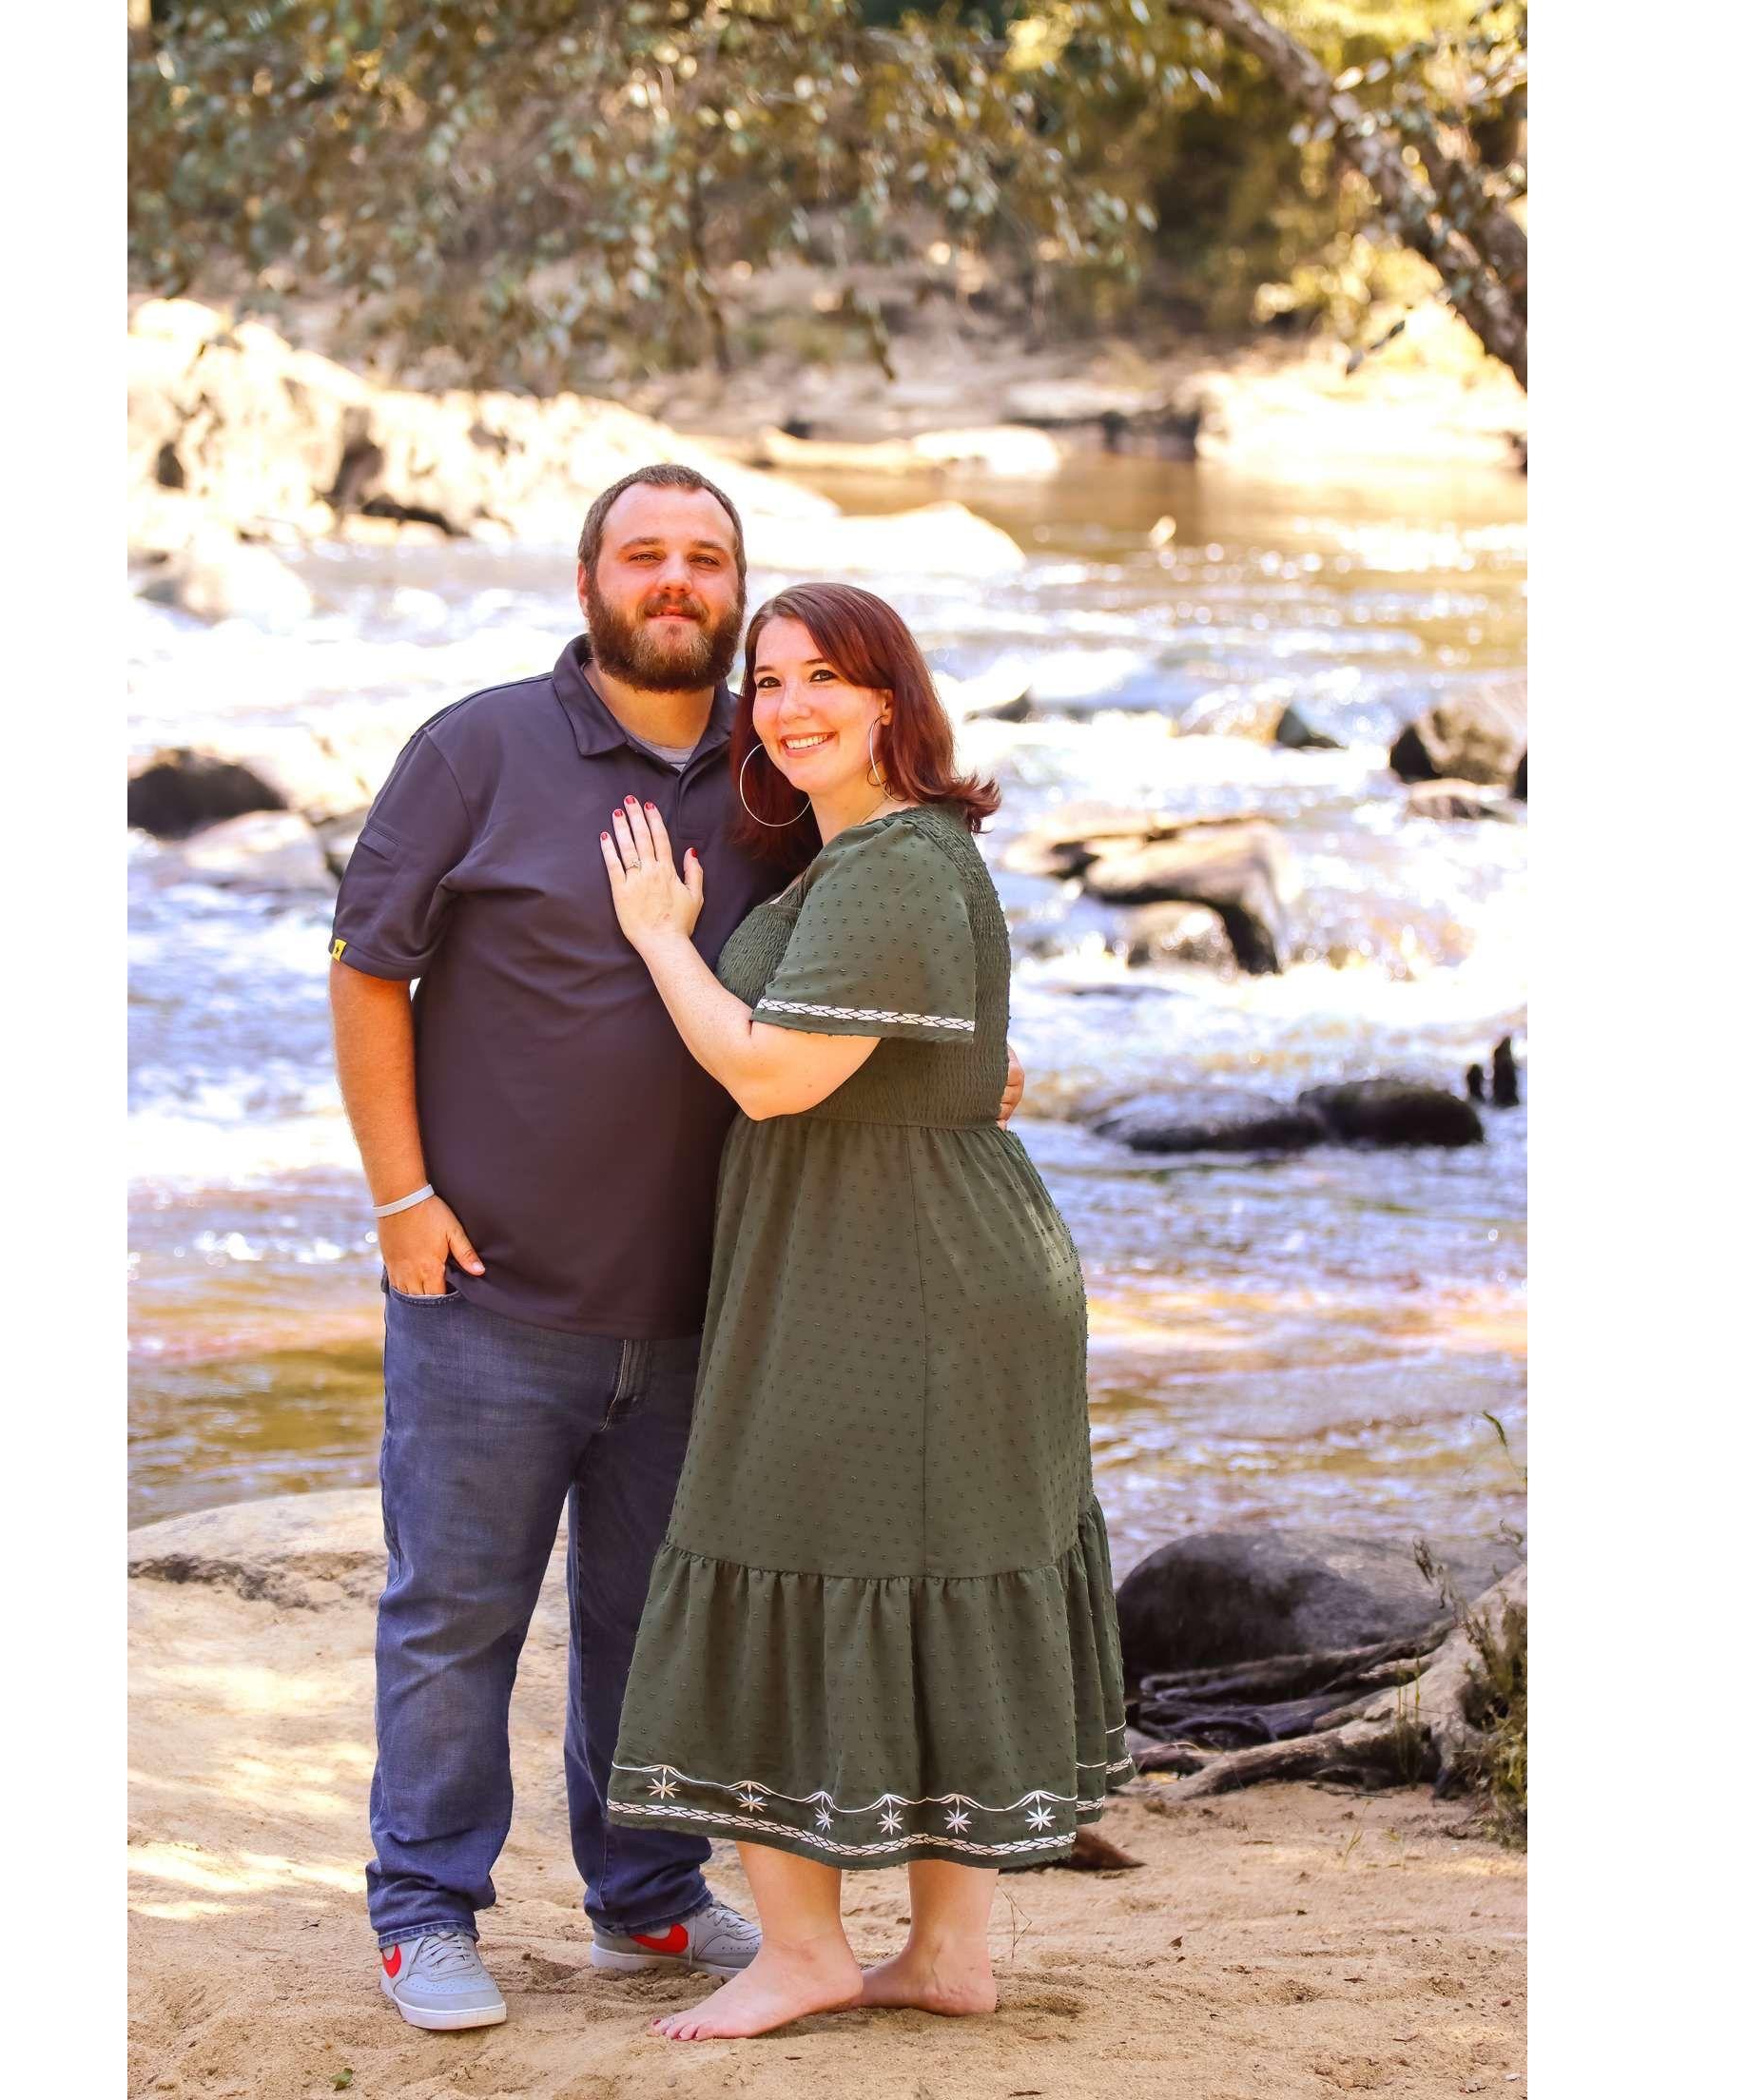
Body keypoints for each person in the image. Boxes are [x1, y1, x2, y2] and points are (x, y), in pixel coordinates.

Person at [326, 467, 1027, 2030]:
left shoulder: (778, 768)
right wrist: (400, 1198)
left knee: (663, 1622)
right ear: (588, 580)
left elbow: (869, 954)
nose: (675, 580)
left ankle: (646, 1900)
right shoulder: (477, 749)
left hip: (724, 1302)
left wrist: (958, 1066)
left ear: (738, 590)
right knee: (454, 1616)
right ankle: (425, 1911)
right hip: (493, 1290)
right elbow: (368, 969)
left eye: (706, 558)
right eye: (643, 554)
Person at [597, 582, 1134, 2043]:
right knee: (924, 1577)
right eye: (768, 681)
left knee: (779, 1550)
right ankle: (946, 1955)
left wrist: (659, 938)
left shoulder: (891, 865)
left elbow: (771, 1076)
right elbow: (955, 1061)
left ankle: (805, 1952)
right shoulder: (892, 852)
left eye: (824, 677)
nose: (789, 707)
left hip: (896, 1276)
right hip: (920, 1255)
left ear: (890, 697)